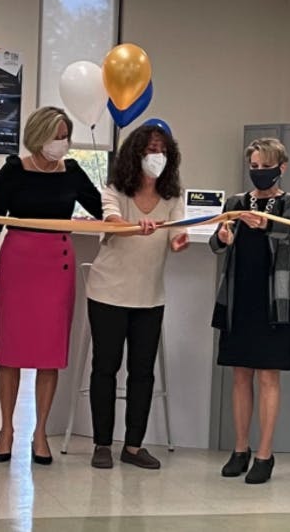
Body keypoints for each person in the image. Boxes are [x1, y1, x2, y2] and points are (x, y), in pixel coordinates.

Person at [0, 106, 102, 465]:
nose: (60, 143)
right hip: (19, 262)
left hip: (56, 264)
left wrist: (130, 219)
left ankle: (40, 432)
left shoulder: (74, 172)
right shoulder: (13, 171)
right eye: (55, 136)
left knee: (50, 355)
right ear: (37, 136)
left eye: (65, 136)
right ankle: (6, 430)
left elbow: (100, 208)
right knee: (12, 353)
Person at [85, 124, 188, 470]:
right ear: (134, 154)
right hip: (107, 293)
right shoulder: (115, 189)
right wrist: (129, 225)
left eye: (160, 150)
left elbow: (177, 232)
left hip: (149, 299)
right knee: (105, 367)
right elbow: (111, 218)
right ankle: (102, 444)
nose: (154, 156)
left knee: (142, 372)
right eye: (148, 150)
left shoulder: (174, 195)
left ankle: (133, 446)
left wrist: (178, 241)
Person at [210, 138, 290, 485]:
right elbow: (215, 243)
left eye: (265, 166)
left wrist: (262, 223)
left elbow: (287, 232)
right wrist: (223, 236)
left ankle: (264, 454)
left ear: (281, 168)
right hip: (239, 298)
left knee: (268, 376)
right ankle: (240, 449)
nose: (258, 173)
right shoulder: (235, 202)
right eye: (253, 166)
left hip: (274, 300)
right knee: (239, 376)